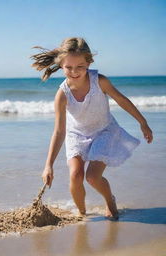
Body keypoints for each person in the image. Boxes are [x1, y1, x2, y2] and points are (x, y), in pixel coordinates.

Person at [30, 37, 153, 220]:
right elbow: (59, 131)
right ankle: (82, 214)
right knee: (75, 175)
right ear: (61, 65)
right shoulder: (62, 94)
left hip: (104, 131)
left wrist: (142, 122)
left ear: (89, 62)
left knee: (92, 178)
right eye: (69, 67)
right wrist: (48, 165)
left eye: (80, 66)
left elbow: (121, 100)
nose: (74, 71)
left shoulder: (99, 81)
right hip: (76, 134)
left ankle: (110, 201)